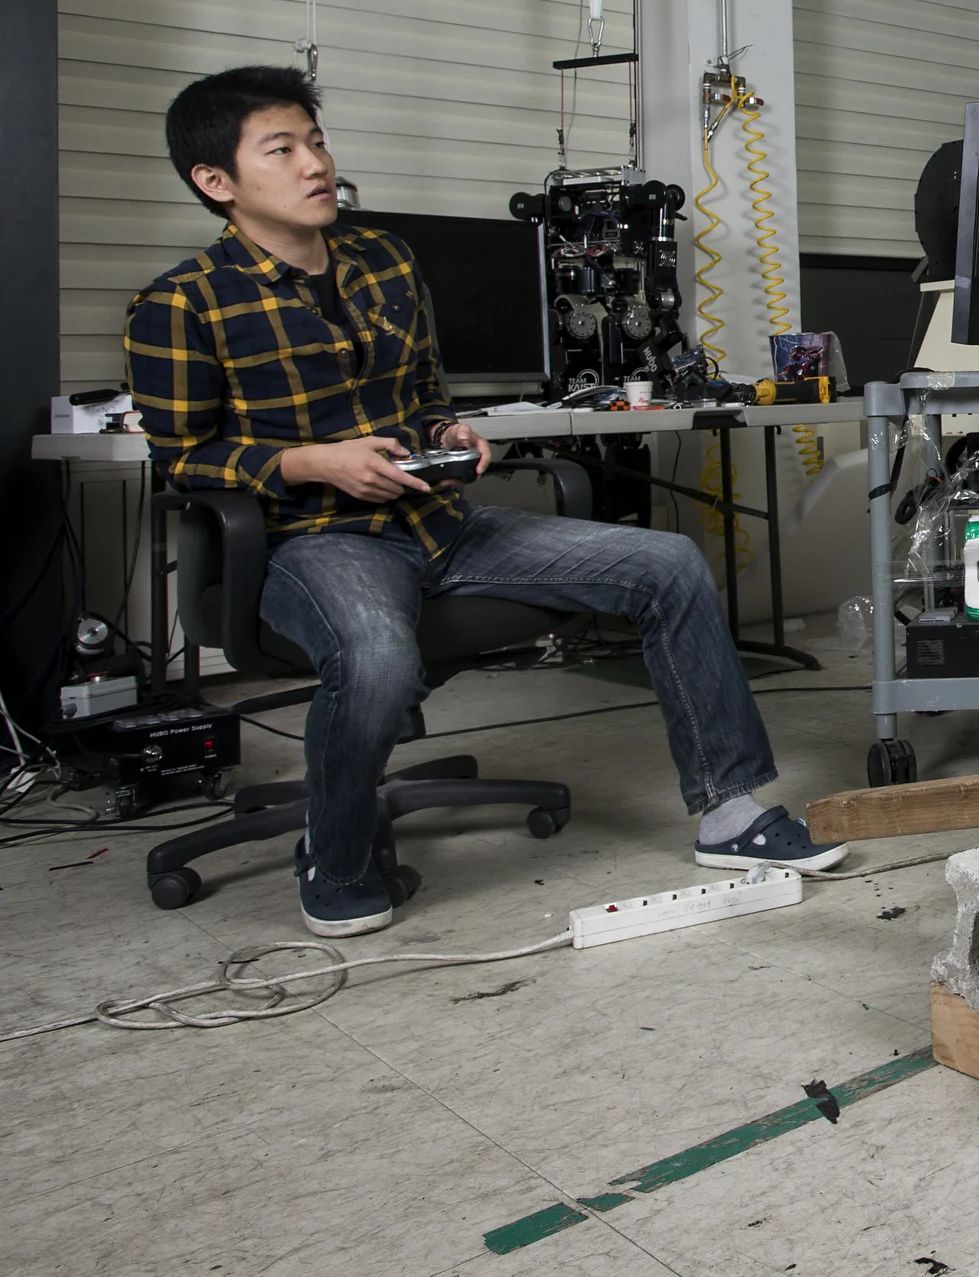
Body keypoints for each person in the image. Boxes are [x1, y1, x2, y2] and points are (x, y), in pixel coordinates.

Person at [125, 67, 846, 940]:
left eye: (315, 140)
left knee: (666, 563)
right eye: (281, 149)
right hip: (314, 542)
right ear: (217, 182)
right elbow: (183, 458)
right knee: (377, 655)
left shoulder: (384, 261)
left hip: (440, 523)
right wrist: (311, 462)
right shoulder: (180, 304)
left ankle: (731, 813)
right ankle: (338, 855)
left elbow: (424, 393)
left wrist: (450, 435)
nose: (315, 162)